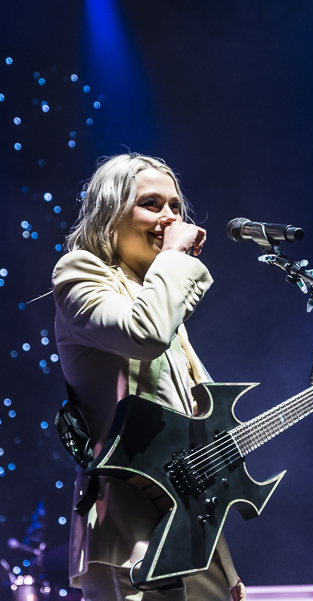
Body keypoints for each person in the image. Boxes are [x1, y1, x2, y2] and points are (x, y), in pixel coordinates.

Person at [52, 153, 245, 601]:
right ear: (110, 214)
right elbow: (145, 334)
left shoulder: (158, 297)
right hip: (128, 536)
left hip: (192, 533)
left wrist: (226, 566)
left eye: (175, 206)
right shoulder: (79, 273)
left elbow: (190, 434)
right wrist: (174, 256)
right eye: (151, 204)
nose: (170, 217)